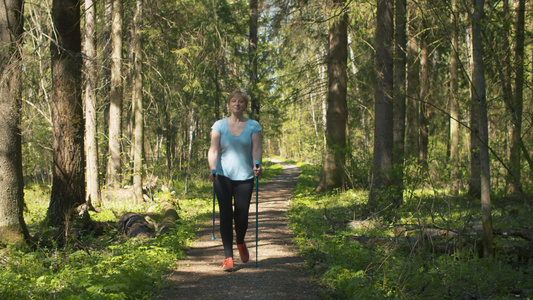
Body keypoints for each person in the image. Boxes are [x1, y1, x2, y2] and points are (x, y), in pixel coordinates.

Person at [208, 90, 262, 272]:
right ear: (229, 104)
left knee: (242, 215)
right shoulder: (219, 126)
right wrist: (212, 168)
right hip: (223, 175)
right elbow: (213, 149)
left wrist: (257, 164)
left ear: (245, 105)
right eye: (233, 101)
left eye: (240, 101)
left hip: (245, 176)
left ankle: (240, 241)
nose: (237, 104)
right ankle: (228, 257)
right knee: (225, 214)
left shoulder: (253, 126)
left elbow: (256, 148)